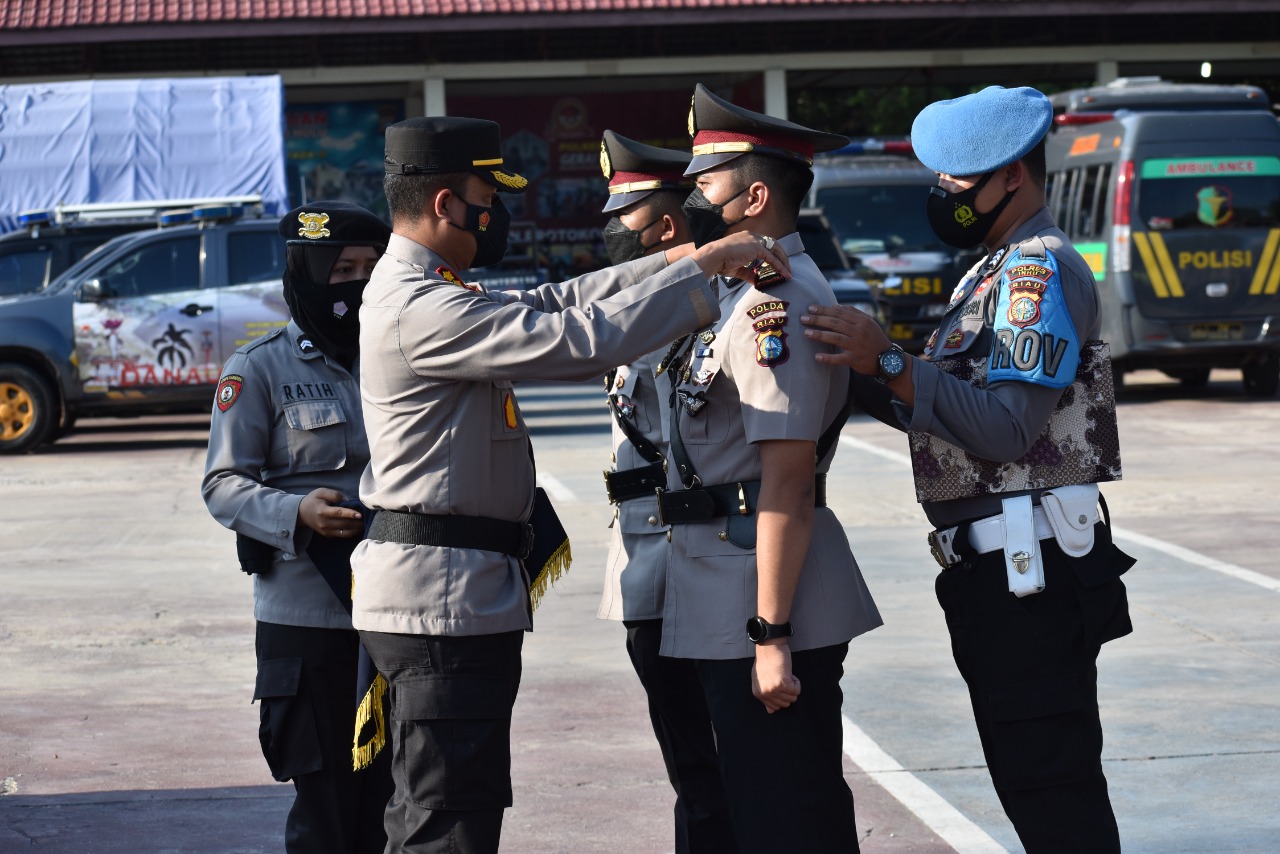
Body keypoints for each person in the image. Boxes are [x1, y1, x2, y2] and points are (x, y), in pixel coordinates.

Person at [350, 115, 792, 854]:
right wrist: (707, 270)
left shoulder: (435, 290)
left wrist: (689, 260)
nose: (495, 212)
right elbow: (576, 338)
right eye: (486, 195)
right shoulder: (418, 306)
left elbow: (555, 303)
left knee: (442, 809)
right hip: (442, 604)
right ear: (445, 205)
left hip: (455, 593)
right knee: (448, 823)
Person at [801, 86, 1134, 853]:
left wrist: (886, 358)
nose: (942, 194)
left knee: (1053, 794)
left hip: (1030, 574)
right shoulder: (991, 269)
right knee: (1033, 785)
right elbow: (943, 413)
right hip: (1001, 575)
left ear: (1011, 175)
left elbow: (1004, 427)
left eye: (958, 180)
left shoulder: (1034, 276)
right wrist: (863, 370)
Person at [656, 84, 883, 853]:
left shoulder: (769, 305)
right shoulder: (733, 295)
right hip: (734, 584)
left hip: (762, 590)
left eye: (706, 184)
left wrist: (770, 634)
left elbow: (785, 480)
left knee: (787, 817)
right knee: (764, 808)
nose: (692, 197)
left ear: (755, 198)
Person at [202, 200, 395, 854]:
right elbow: (222, 484)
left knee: (396, 803)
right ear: (307, 272)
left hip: (399, 608)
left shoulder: (400, 353)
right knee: (326, 811)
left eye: (372, 266)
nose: (360, 283)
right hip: (307, 619)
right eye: (342, 269)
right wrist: (297, 514)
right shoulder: (258, 369)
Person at [596, 129, 737, 854]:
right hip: (646, 574)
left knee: (737, 775)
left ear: (669, 225)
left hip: (713, 565)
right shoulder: (634, 312)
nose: (612, 241)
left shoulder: (726, 309)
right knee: (690, 772)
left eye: (623, 221)